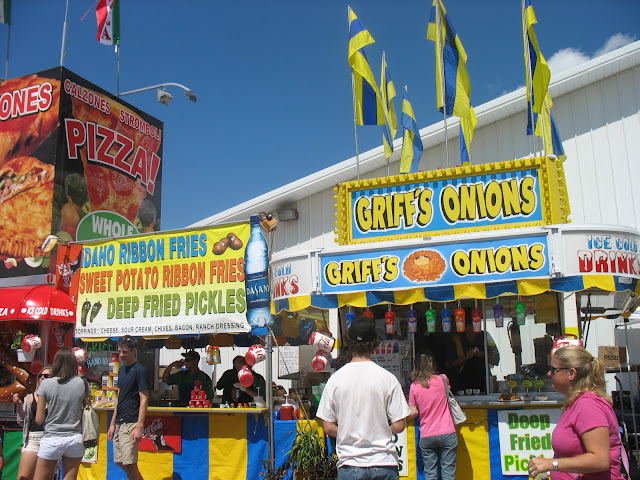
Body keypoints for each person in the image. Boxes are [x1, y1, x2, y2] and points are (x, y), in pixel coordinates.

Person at [317, 316, 411, 480]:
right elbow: (399, 424)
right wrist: (378, 431)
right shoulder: (387, 379)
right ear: (375, 341)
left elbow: (328, 427)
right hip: (384, 462)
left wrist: (349, 431)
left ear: (349, 342)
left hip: (350, 463)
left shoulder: (335, 381)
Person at [528, 346, 624, 480]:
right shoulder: (577, 403)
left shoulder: (588, 405)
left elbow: (600, 460)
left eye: (554, 370)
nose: (549, 374)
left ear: (571, 373)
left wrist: (551, 464)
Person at [33, 348, 89, 480]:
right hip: (75, 438)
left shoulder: (46, 384)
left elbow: (39, 419)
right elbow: (87, 409)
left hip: (52, 438)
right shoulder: (82, 383)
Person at [409, 354, 457, 480]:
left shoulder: (414, 386)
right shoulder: (443, 379)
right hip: (447, 431)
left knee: (430, 474)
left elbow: (413, 412)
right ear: (432, 364)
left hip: (427, 434)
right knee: (448, 474)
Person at [107, 336, 149, 480]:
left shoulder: (139, 370)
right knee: (119, 460)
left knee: (130, 464)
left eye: (124, 352)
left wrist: (139, 425)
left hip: (131, 422)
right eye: (120, 352)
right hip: (120, 421)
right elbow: (120, 397)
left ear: (134, 351)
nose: (121, 355)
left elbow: (144, 399)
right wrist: (112, 423)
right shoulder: (122, 369)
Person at [12, 365, 52, 480]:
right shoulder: (30, 397)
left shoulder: (55, 398)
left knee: (44, 477)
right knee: (23, 477)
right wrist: (19, 405)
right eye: (41, 376)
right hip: (33, 438)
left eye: (47, 376)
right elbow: (22, 421)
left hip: (49, 438)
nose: (43, 378)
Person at [447, 315, 499, 392]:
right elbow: (449, 364)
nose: (470, 332)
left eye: (472, 329)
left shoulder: (485, 336)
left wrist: (483, 354)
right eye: (467, 329)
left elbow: (496, 359)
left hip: (484, 382)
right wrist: (466, 358)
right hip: (463, 384)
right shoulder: (456, 340)